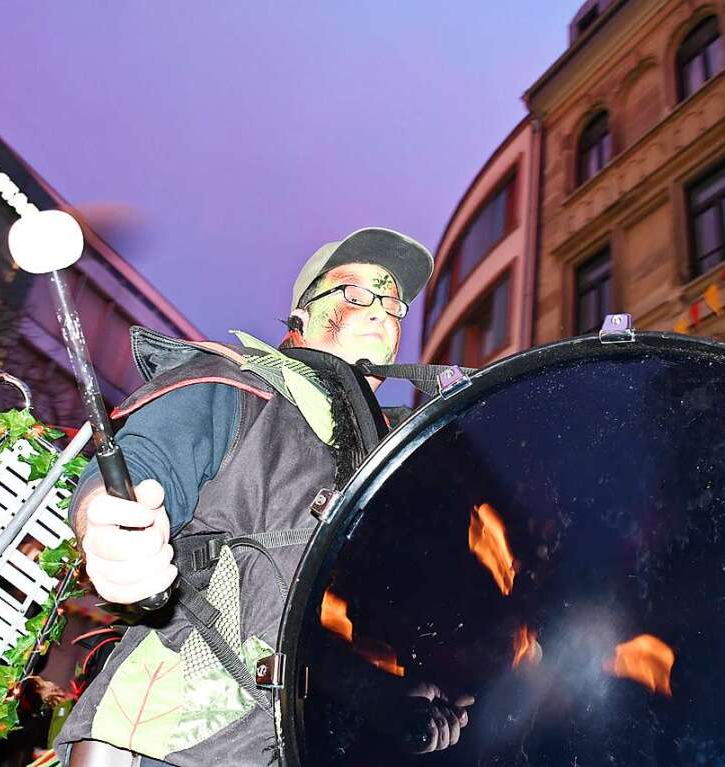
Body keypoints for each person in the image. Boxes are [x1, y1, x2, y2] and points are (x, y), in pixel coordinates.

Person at [56, 228, 473, 766]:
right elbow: (137, 471)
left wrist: (403, 694)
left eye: (393, 304)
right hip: (170, 746)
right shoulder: (232, 387)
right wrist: (113, 529)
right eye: (354, 292)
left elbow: (327, 636)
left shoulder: (388, 465)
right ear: (299, 316)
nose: (380, 309)